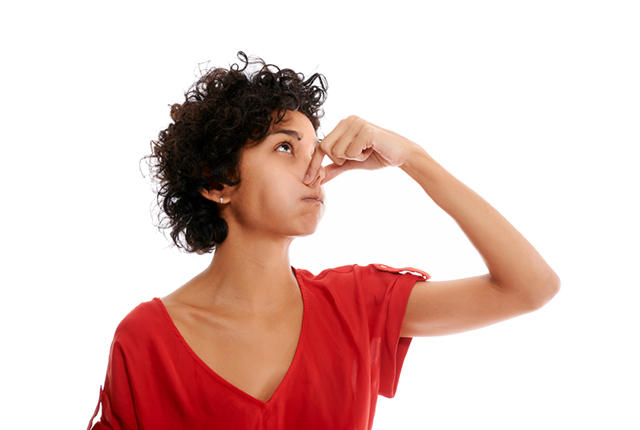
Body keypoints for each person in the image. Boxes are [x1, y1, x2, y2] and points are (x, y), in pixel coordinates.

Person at [87, 51, 560, 430]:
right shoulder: (146, 338)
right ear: (217, 182)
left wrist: (413, 159)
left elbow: (530, 286)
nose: (314, 169)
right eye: (285, 147)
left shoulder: (358, 305)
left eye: (314, 150)